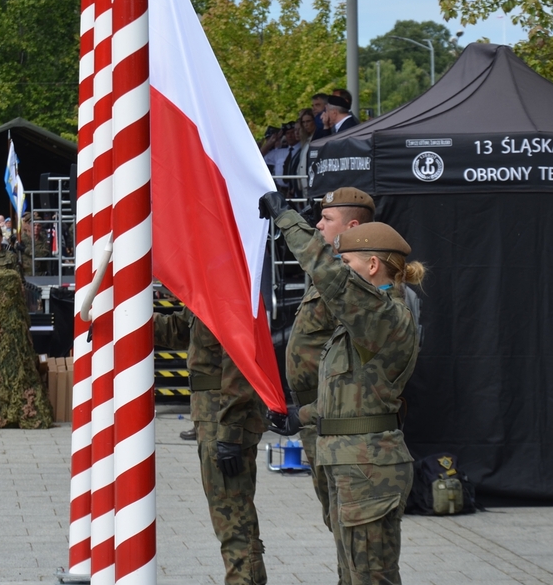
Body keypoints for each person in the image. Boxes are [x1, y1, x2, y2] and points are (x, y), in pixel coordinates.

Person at [261, 191, 423, 585]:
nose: (340, 268)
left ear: (371, 266)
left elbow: (327, 275)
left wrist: (287, 221)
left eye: (346, 261)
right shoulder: (363, 320)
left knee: (370, 577)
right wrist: (297, 417)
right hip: (349, 462)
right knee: (352, 574)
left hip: (368, 467)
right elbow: (349, 401)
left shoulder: (383, 314)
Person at [285, 187, 375, 548]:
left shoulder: (353, 279)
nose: (319, 225)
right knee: (335, 519)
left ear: (352, 226)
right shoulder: (337, 271)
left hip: (338, 419)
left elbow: (317, 259)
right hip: (317, 416)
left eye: (327, 219)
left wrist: (285, 218)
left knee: (352, 527)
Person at [154, 308, 267, 585]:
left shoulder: (226, 289)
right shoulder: (206, 290)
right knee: (231, 517)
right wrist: (127, 315)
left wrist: (229, 431)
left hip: (224, 416)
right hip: (213, 415)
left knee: (233, 518)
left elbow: (240, 360)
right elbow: (181, 329)